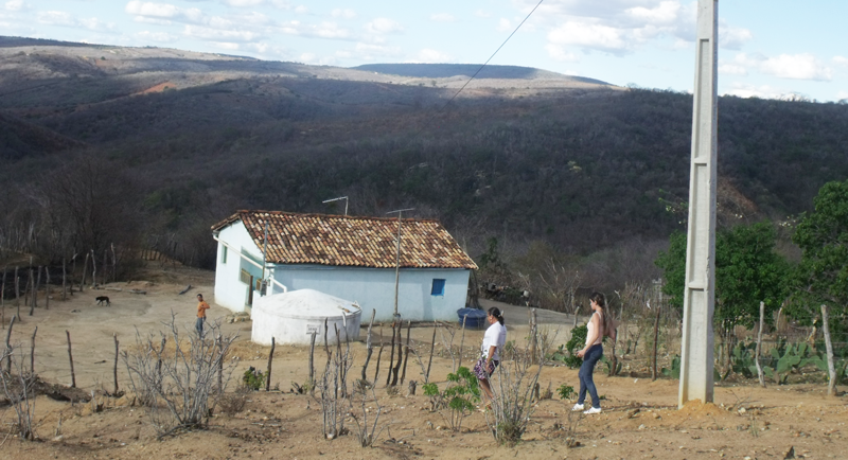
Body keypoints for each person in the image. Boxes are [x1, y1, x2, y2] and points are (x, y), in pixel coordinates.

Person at [573, 292, 613, 415]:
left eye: (591, 302)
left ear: (595, 302)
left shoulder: (596, 315)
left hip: (593, 348)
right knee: (582, 374)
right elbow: (604, 332)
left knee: (587, 377)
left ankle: (596, 405)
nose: (590, 304)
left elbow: (595, 334)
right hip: (596, 348)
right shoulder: (602, 315)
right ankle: (580, 403)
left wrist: (584, 350)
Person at [475, 307, 506, 409]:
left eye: (488, 316)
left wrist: (488, 360)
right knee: (482, 377)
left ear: (491, 316)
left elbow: (494, 345)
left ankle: (492, 397)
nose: (488, 319)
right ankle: (488, 403)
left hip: (490, 357)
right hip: (487, 356)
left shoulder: (496, 328)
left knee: (481, 376)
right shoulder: (500, 326)